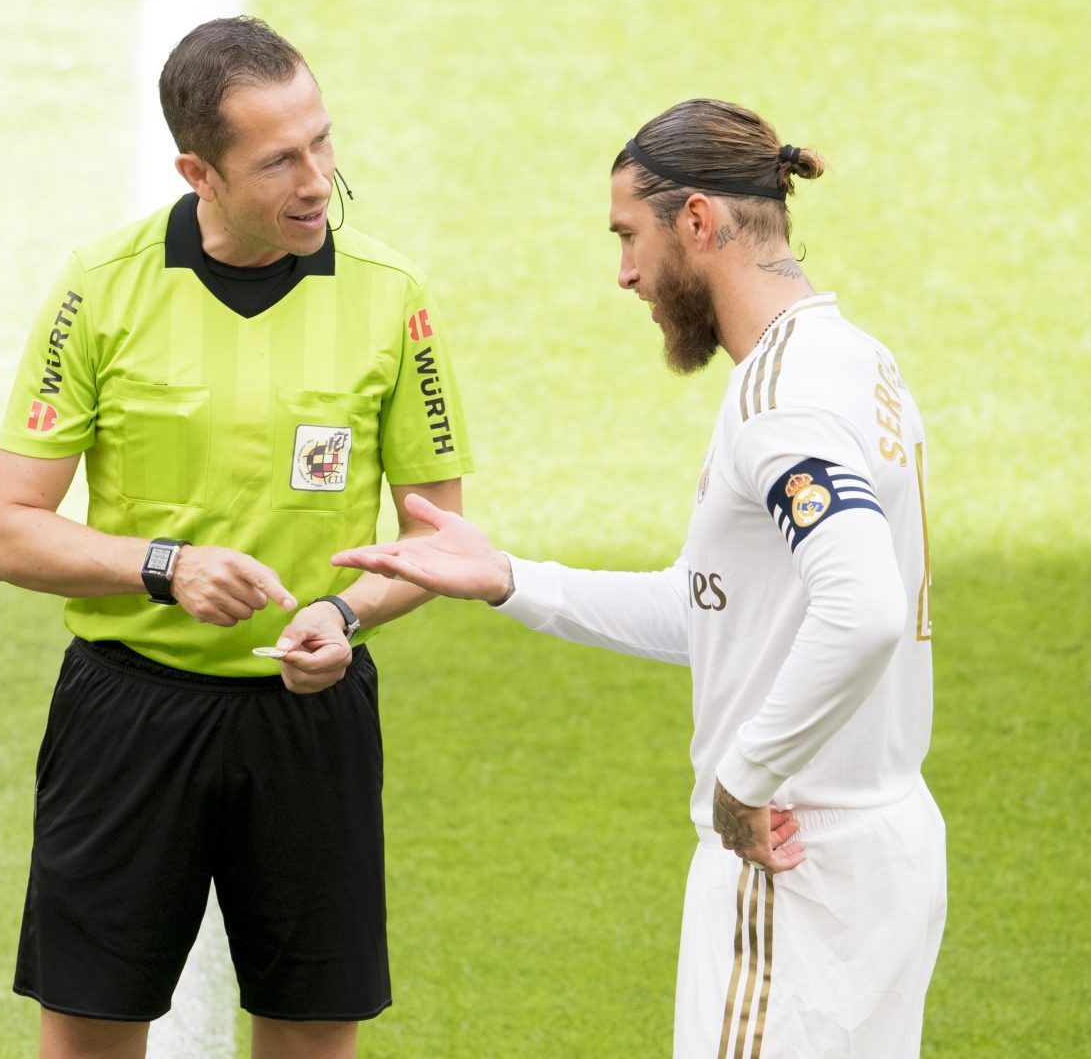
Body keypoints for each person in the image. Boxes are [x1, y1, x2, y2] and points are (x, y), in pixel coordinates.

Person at [333, 99, 944, 1058]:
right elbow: (716, 612)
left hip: (794, 865)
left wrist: (745, 784)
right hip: (872, 850)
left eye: (629, 236)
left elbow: (861, 607)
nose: (624, 274)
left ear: (697, 221)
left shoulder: (782, 400)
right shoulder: (852, 360)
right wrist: (507, 579)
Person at [0, 16, 475, 1059]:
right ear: (197, 169)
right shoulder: (100, 287)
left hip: (310, 718)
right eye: (281, 159)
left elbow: (441, 541)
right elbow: (7, 533)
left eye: (324, 143)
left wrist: (341, 615)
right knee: (90, 1036)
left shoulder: (392, 299)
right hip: (127, 710)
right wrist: (164, 568)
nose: (317, 179)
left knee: (307, 1034)